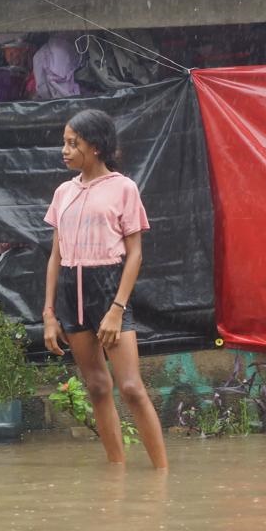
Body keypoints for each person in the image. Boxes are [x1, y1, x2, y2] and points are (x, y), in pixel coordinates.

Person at [41, 110, 168, 469]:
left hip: (109, 287)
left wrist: (117, 308)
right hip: (70, 288)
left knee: (130, 387)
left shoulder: (123, 188)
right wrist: (49, 314)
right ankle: (117, 471)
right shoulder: (63, 192)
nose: (64, 150)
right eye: (65, 142)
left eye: (72, 143)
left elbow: (136, 254)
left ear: (95, 147)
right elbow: (55, 255)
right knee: (97, 386)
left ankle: (162, 474)